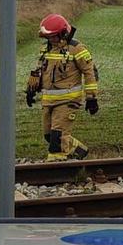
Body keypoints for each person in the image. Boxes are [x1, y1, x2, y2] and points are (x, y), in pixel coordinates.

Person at [25, 13, 98, 160]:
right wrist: (30, 89)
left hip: (68, 101)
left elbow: (90, 73)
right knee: (49, 136)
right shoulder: (46, 49)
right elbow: (40, 71)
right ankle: (79, 151)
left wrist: (91, 98)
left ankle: (57, 167)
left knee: (56, 141)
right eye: (48, 37)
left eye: (53, 36)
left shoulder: (77, 49)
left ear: (63, 33)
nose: (50, 40)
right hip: (48, 101)